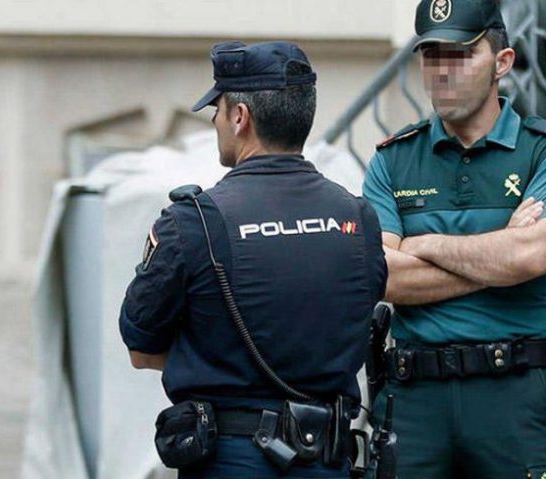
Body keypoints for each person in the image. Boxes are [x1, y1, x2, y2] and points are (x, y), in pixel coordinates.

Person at [119, 40, 388, 478]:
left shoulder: (192, 222)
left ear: (240, 117)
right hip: (328, 458)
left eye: (218, 111)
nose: (216, 123)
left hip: (231, 459)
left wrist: (213, 352)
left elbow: (141, 348)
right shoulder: (359, 219)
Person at [362, 1, 546, 477]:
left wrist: (422, 245)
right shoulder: (392, 159)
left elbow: (532, 255)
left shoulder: (539, 151)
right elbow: (382, 275)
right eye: (432, 55)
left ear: (502, 63)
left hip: (516, 395)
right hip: (414, 398)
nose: (441, 71)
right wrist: (499, 251)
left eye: (460, 55)